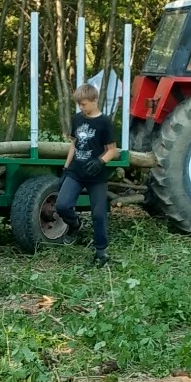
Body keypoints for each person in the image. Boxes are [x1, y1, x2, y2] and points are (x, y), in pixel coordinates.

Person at [57, 82, 117, 266]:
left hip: (96, 176)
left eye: (83, 104)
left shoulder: (104, 122)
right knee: (62, 205)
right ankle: (75, 225)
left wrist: (100, 161)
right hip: (76, 171)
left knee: (99, 214)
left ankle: (101, 252)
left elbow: (112, 150)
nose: (81, 107)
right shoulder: (77, 119)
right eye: (79, 104)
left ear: (94, 101)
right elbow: (74, 145)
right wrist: (66, 169)